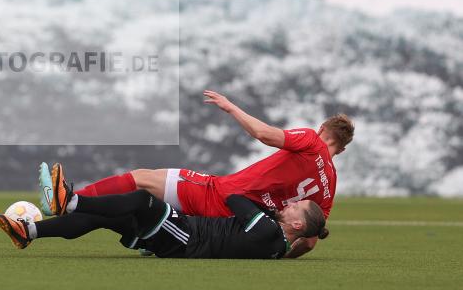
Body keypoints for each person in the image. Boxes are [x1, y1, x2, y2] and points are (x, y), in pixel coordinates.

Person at [39, 90, 353, 258]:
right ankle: (59, 211)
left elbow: (264, 134)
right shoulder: (330, 184)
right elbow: (309, 241)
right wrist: (274, 253)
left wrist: (231, 108)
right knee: (136, 211)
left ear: (323, 130)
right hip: (242, 222)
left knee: (142, 180)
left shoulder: (311, 141)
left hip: (221, 194)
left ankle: (67, 200)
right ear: (341, 148)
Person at [0, 182, 327, 260]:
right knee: (101, 217)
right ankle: (28, 231)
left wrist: (267, 203)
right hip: (182, 238)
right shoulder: (276, 243)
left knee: (142, 199)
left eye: (297, 207)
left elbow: (234, 198)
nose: (291, 205)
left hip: (185, 237)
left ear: (298, 225)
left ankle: (69, 201)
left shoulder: (269, 231)